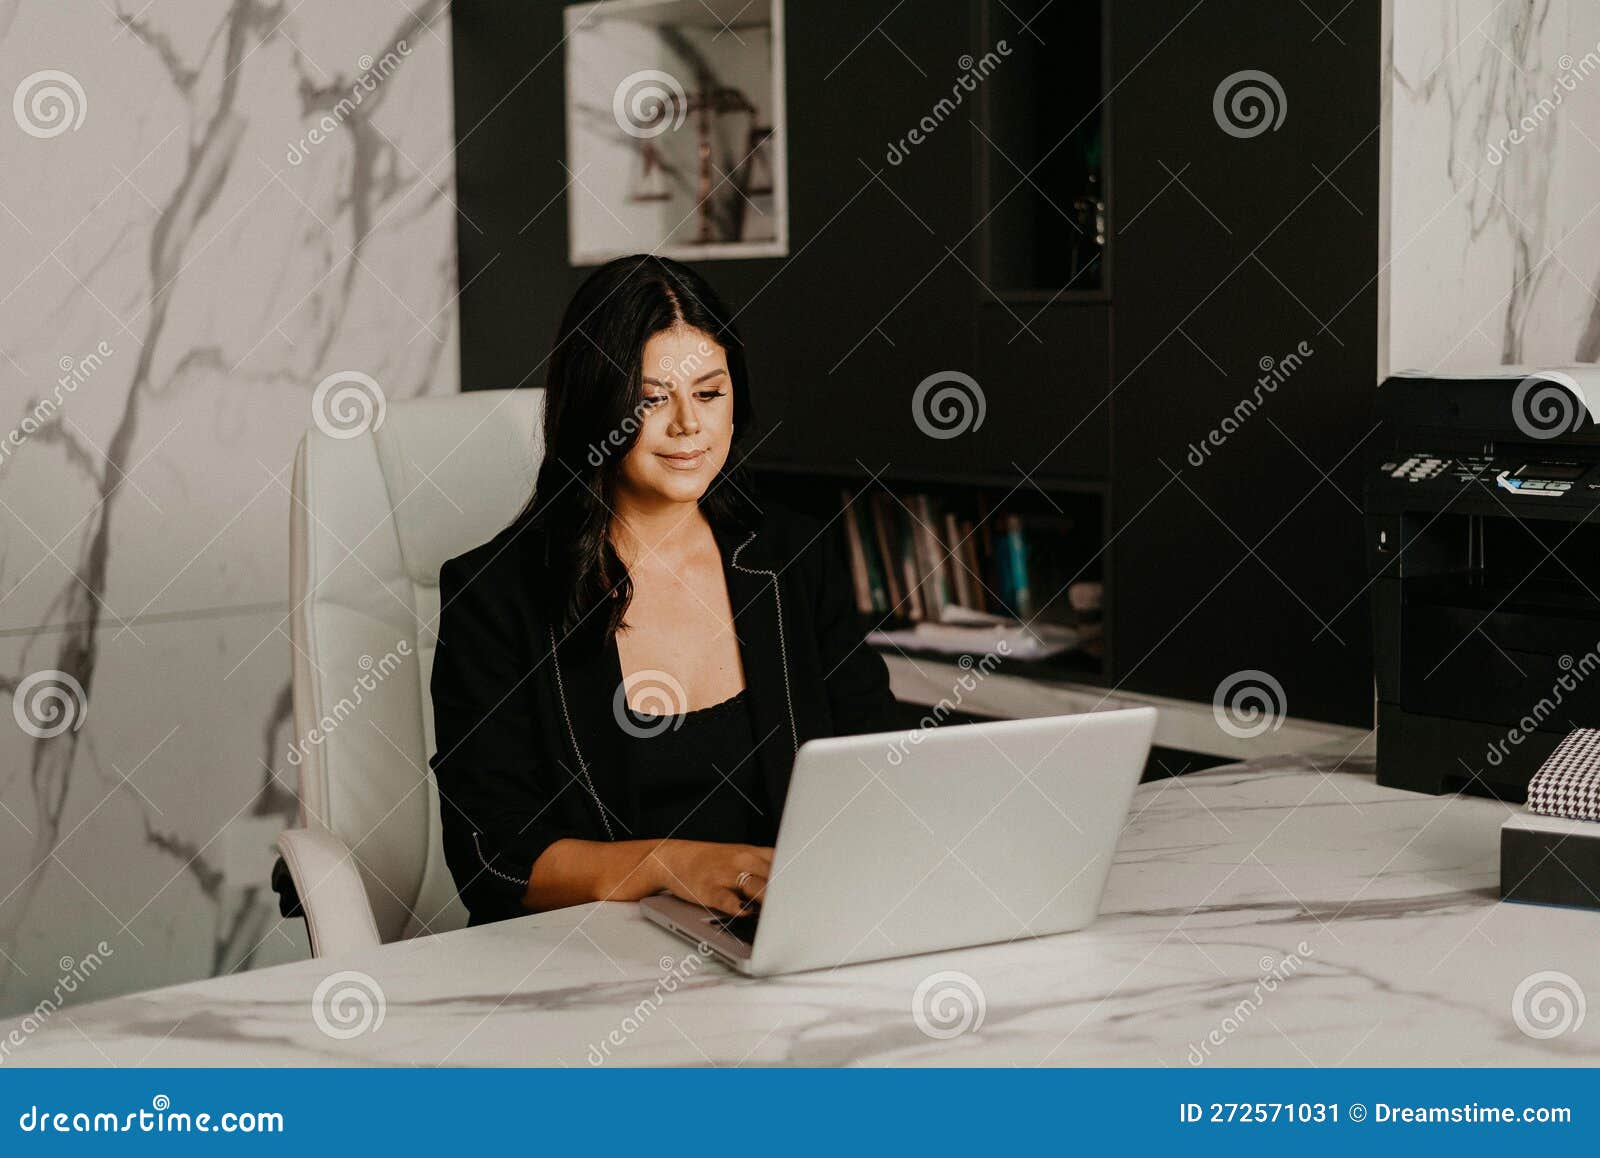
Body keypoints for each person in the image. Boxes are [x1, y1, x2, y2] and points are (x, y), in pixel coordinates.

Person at [429, 254, 900, 927]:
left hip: (785, 933)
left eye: (709, 394)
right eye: (651, 399)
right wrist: (670, 864)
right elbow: (493, 859)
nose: (688, 425)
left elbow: (878, 763)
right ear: (596, 407)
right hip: (586, 955)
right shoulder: (494, 597)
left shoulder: (794, 557)